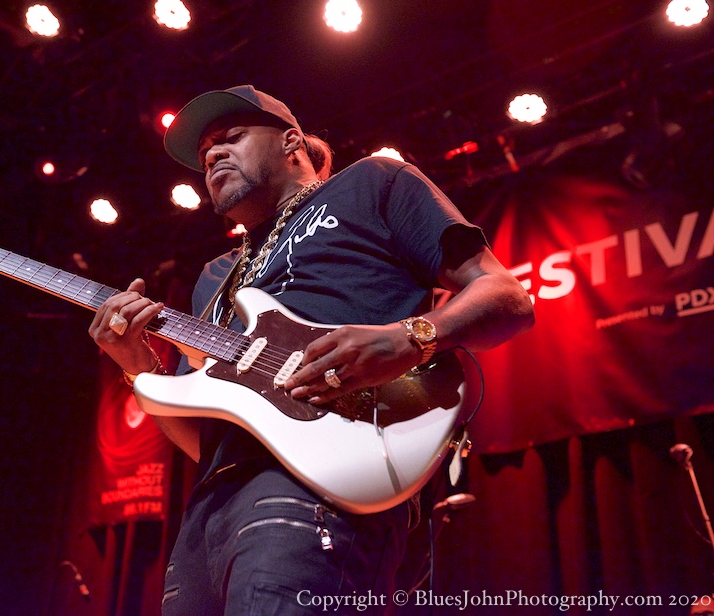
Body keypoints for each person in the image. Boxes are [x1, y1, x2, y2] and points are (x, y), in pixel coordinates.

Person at [89, 85, 534, 614]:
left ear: (291, 141)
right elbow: (202, 441)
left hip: (318, 490)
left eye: (229, 138)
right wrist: (137, 364)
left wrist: (407, 339)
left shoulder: (373, 182)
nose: (211, 155)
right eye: (204, 153)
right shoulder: (214, 278)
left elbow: (506, 297)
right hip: (206, 516)